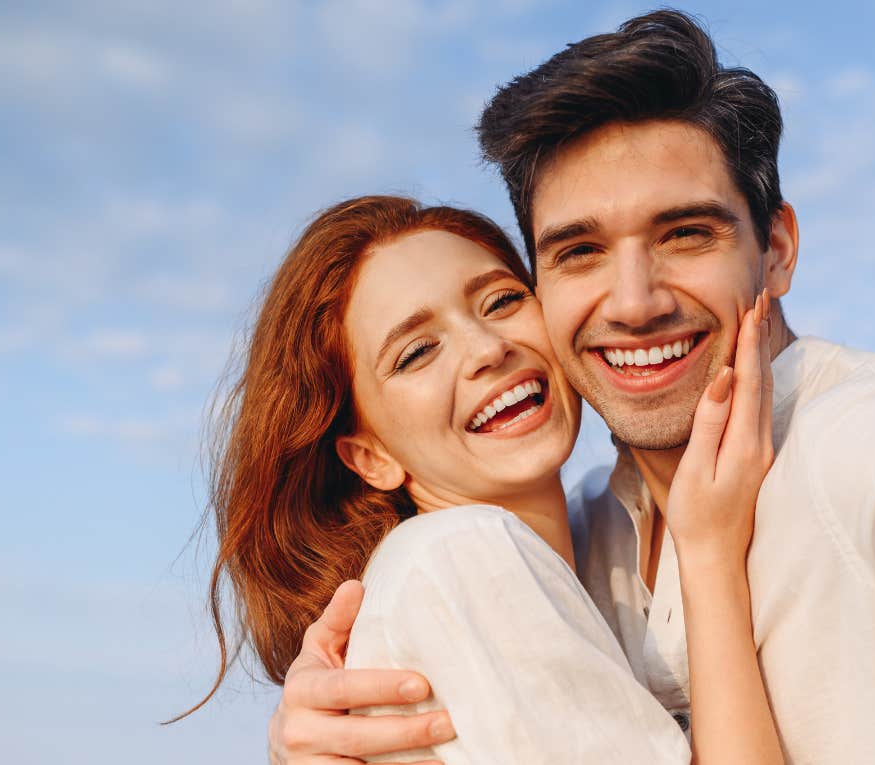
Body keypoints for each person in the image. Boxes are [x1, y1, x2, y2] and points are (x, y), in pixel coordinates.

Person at [270, 10, 875, 765]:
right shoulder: (579, 534)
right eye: (580, 251)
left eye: (687, 233)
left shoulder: (852, 431)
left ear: (776, 248)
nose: (635, 301)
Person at [189, 195, 787, 763]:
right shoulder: (464, 554)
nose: (486, 349)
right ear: (369, 456)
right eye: (417, 352)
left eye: (501, 301)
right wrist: (709, 558)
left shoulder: (578, 542)